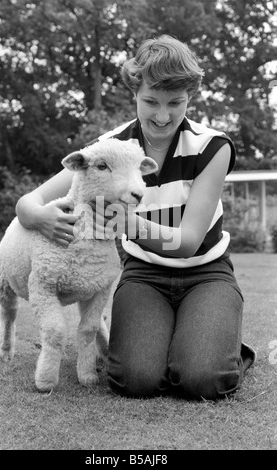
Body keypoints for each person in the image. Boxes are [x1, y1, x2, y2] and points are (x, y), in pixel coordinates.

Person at [16, 34, 255, 400]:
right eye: (150, 101)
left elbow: (188, 241)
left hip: (206, 272)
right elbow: (29, 201)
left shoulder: (212, 147)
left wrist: (126, 224)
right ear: (134, 93)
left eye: (176, 102)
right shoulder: (109, 147)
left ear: (191, 95)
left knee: (202, 379)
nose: (162, 116)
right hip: (144, 273)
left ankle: (221, 347)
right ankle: (187, 340)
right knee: (134, 380)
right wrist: (39, 216)